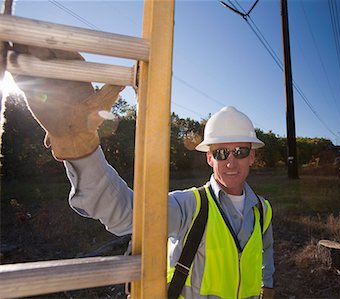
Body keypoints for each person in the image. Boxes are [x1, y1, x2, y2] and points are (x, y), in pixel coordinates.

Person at [11, 46, 275, 299]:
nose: (230, 162)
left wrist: (268, 286)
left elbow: (265, 253)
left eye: (239, 151)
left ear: (252, 155)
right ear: (209, 158)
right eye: (220, 153)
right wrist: (80, 149)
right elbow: (125, 213)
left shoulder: (263, 211)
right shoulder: (190, 207)